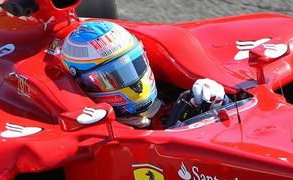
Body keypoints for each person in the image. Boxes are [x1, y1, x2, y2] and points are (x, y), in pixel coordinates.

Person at [60, 20, 227, 128]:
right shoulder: (93, 128)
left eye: (135, 64)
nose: (136, 84)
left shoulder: (169, 99)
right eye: (112, 78)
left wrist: (220, 102)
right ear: (83, 84)